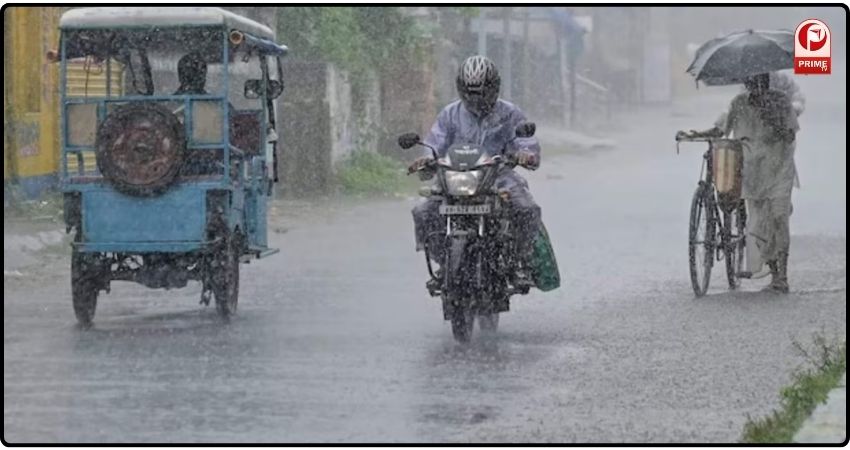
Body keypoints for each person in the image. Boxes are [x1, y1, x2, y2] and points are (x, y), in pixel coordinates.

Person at [410, 55, 542, 287]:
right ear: (461, 89)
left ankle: (521, 262)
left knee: (527, 209)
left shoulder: (510, 113)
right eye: (470, 92)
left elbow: (526, 142)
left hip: (499, 175)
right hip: (456, 176)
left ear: (494, 87)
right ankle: (444, 262)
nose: (476, 98)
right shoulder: (450, 114)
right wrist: (425, 160)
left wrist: (525, 154)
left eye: (481, 92)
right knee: (424, 212)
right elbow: (435, 143)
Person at [698, 73, 800, 293]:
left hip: (779, 168)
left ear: (765, 80)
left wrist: (773, 120)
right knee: (760, 224)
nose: (755, 86)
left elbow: (791, 134)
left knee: (779, 218)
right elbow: (723, 128)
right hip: (753, 172)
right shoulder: (739, 103)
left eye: (759, 81)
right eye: (751, 82)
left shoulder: (781, 101)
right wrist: (699, 134)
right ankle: (774, 270)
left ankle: (782, 274)